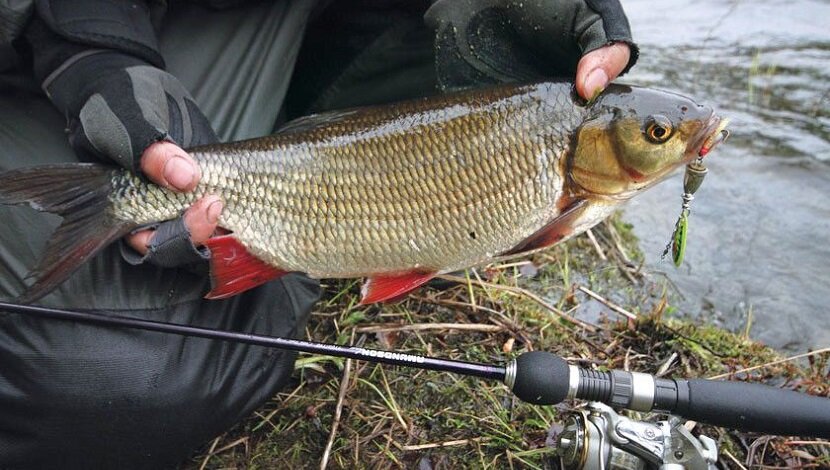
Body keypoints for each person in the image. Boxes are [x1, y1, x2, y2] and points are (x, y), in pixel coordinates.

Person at [0, 1, 636, 467]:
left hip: (266, 20)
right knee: (109, 378)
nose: (674, 145)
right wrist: (87, 50)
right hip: (47, 42)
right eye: (658, 135)